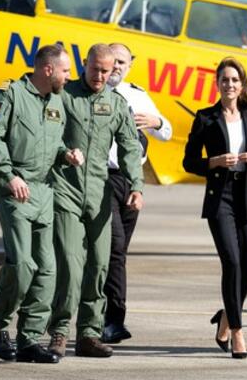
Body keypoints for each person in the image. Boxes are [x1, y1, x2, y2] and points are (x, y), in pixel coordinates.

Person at [0, 44, 84, 363]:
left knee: (47, 269)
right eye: (65, 70)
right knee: (23, 264)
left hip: (44, 192)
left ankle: (29, 339)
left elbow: (54, 141)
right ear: (48, 70)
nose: (69, 76)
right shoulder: (9, 95)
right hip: (15, 189)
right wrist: (9, 175)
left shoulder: (56, 100)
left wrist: (67, 155)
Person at [47, 44, 144, 358]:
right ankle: (60, 331)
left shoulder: (116, 104)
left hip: (99, 194)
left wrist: (136, 185)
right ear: (84, 64)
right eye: (95, 69)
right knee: (71, 264)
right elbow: (46, 134)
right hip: (66, 190)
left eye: (106, 70)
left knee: (100, 265)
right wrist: (63, 153)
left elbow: (130, 146)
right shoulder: (64, 95)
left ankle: (89, 334)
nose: (100, 76)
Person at [183, 57, 247, 359]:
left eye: (234, 80)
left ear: (241, 84)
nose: (229, 85)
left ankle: (225, 316)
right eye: (224, 80)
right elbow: (189, 161)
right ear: (217, 83)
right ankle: (237, 331)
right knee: (232, 263)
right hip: (221, 198)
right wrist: (215, 162)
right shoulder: (206, 118)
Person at [101, 43, 172, 344]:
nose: (117, 67)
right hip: (101, 179)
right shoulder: (93, 92)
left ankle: (103, 315)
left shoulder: (138, 95)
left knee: (117, 252)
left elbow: (166, 132)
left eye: (122, 62)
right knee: (114, 248)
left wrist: (156, 122)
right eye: (113, 61)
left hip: (131, 182)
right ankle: (113, 320)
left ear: (130, 65)